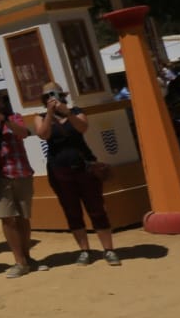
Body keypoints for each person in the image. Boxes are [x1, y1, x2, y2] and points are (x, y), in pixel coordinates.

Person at [32, 83, 120, 265]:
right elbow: (43, 134)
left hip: (84, 167)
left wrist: (67, 113)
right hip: (59, 169)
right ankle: (84, 250)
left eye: (54, 94)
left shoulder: (76, 111)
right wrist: (50, 114)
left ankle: (109, 249)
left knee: (96, 208)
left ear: (62, 95)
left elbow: (82, 128)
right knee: (72, 211)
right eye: (47, 95)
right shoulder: (40, 117)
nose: (52, 98)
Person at [0, 85, 46, 279]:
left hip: (21, 171)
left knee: (23, 217)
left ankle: (28, 258)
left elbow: (23, 133)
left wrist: (2, 119)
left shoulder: (13, 117)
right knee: (7, 218)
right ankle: (19, 261)